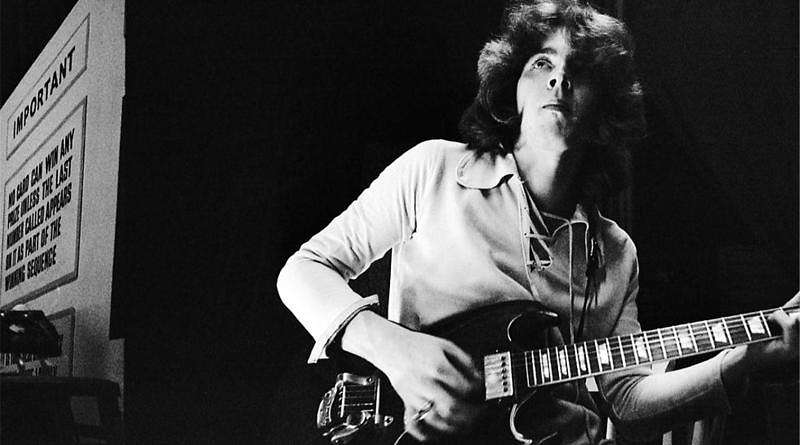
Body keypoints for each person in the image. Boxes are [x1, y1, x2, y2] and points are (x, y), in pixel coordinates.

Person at [277, 1, 799, 443]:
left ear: (605, 108)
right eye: (541, 62)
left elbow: (627, 397)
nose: (560, 77)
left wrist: (744, 360)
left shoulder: (616, 253)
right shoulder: (434, 169)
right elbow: (304, 270)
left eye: (582, 71)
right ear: (514, 90)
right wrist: (390, 346)